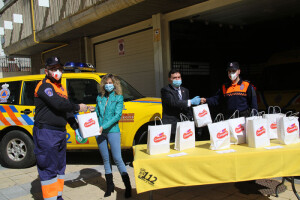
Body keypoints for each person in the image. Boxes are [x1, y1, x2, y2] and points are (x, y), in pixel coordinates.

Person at [33, 56, 88, 200]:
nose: (57, 71)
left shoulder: (61, 87)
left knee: (59, 167)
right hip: (46, 133)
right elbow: (58, 104)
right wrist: (79, 107)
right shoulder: (44, 86)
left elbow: (66, 110)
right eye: (53, 69)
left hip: (59, 133)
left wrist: (76, 127)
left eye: (59, 68)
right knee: (49, 168)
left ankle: (58, 196)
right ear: (46, 71)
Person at [90, 74, 132, 198]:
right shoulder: (100, 97)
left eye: (110, 82)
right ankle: (110, 186)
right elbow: (98, 112)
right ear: (103, 84)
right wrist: (93, 111)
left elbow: (117, 116)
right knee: (105, 159)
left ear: (114, 84)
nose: (108, 85)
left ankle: (128, 187)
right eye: (106, 83)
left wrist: (104, 126)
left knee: (118, 159)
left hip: (113, 131)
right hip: (100, 132)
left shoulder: (119, 97)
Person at [161, 69, 201, 142]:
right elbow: (174, 103)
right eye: (174, 78)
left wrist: (190, 119)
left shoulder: (185, 90)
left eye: (179, 77)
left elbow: (187, 107)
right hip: (172, 125)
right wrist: (191, 102)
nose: (177, 79)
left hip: (184, 125)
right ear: (169, 79)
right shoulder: (165, 90)